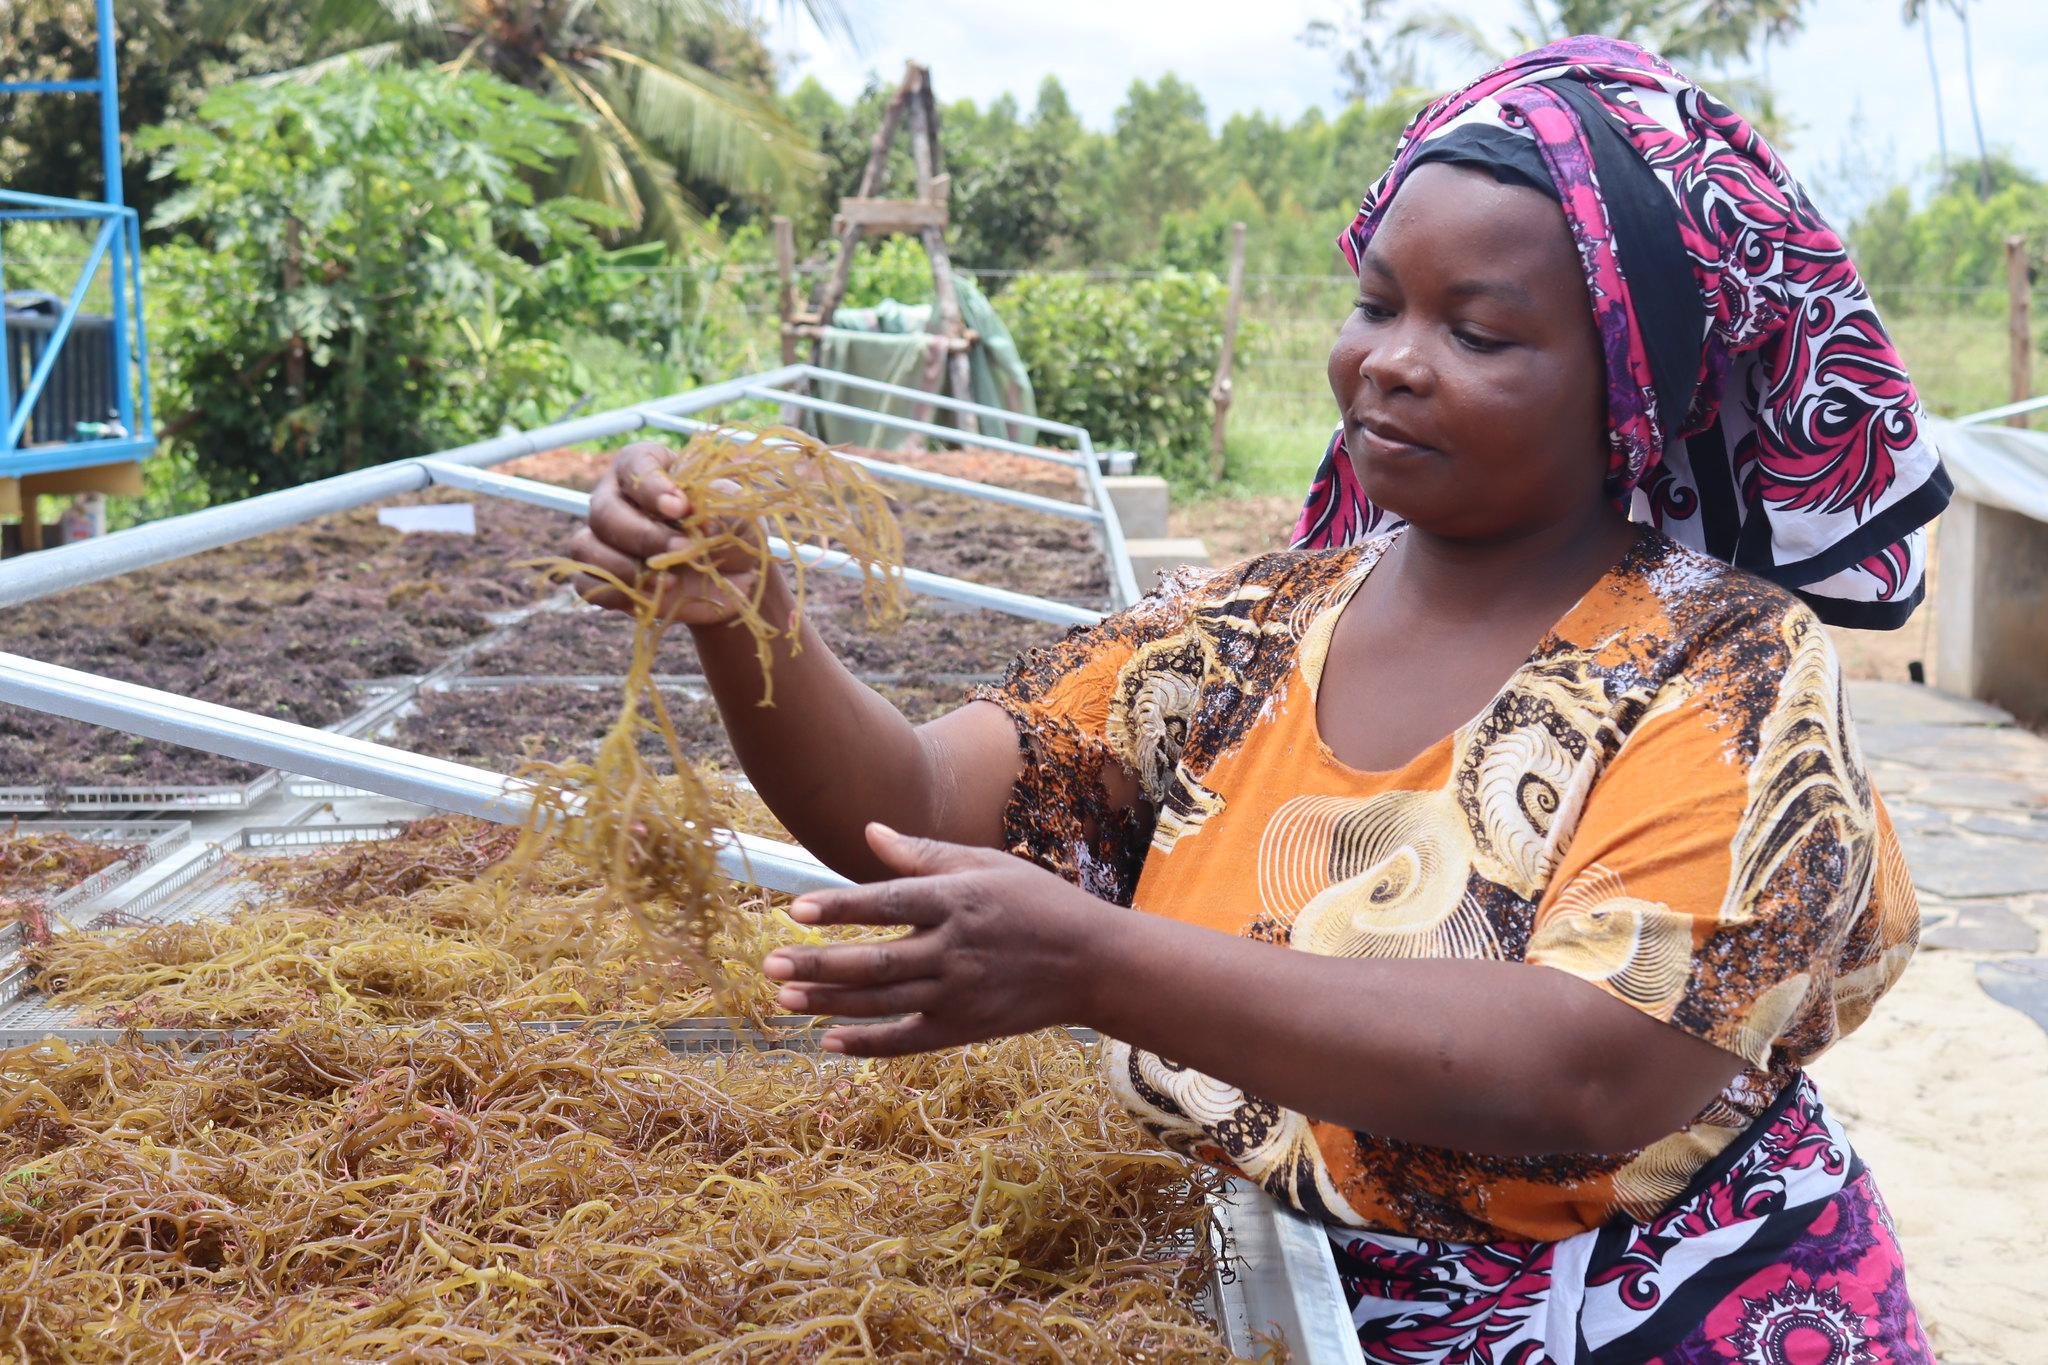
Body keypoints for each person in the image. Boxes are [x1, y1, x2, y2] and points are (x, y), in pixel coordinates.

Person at [569, 38, 1946, 1364]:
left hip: (1643, 1318)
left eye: (1477, 330)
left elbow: (1588, 1071)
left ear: (1630, 392)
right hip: (1272, 1281)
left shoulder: (1728, 670)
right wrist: (746, 606)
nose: (1392, 361)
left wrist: (1096, 963)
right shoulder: (1254, 627)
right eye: (1376, 303)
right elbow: (918, 802)